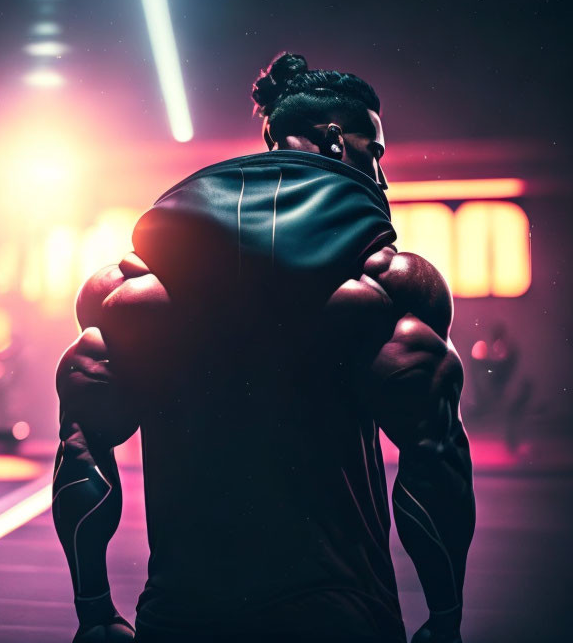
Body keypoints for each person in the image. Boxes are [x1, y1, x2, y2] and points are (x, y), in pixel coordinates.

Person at [52, 53, 475, 643]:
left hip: (181, 613)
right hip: (338, 614)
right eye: (373, 153)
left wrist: (95, 611)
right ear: (334, 140)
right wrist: (446, 620)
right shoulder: (385, 283)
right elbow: (437, 458)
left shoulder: (132, 287)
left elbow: (80, 453)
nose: (380, 178)